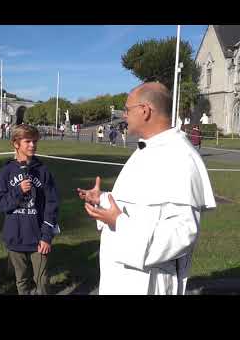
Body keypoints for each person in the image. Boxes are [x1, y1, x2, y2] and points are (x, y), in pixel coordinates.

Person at [77, 82, 216, 295]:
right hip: (120, 276)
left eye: (127, 109)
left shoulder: (180, 157)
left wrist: (119, 223)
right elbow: (138, 203)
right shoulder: (146, 150)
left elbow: (183, 233)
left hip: (147, 283)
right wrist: (103, 199)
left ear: (145, 111)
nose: (124, 115)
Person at [0, 124, 60, 295]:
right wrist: (18, 190)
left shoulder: (43, 171)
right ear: (16, 143)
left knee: (42, 280)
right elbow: (0, 203)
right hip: (15, 236)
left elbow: (51, 205)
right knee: (21, 280)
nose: (33, 145)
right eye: (28, 141)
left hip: (39, 237)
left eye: (35, 141)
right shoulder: (6, 171)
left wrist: (46, 235)